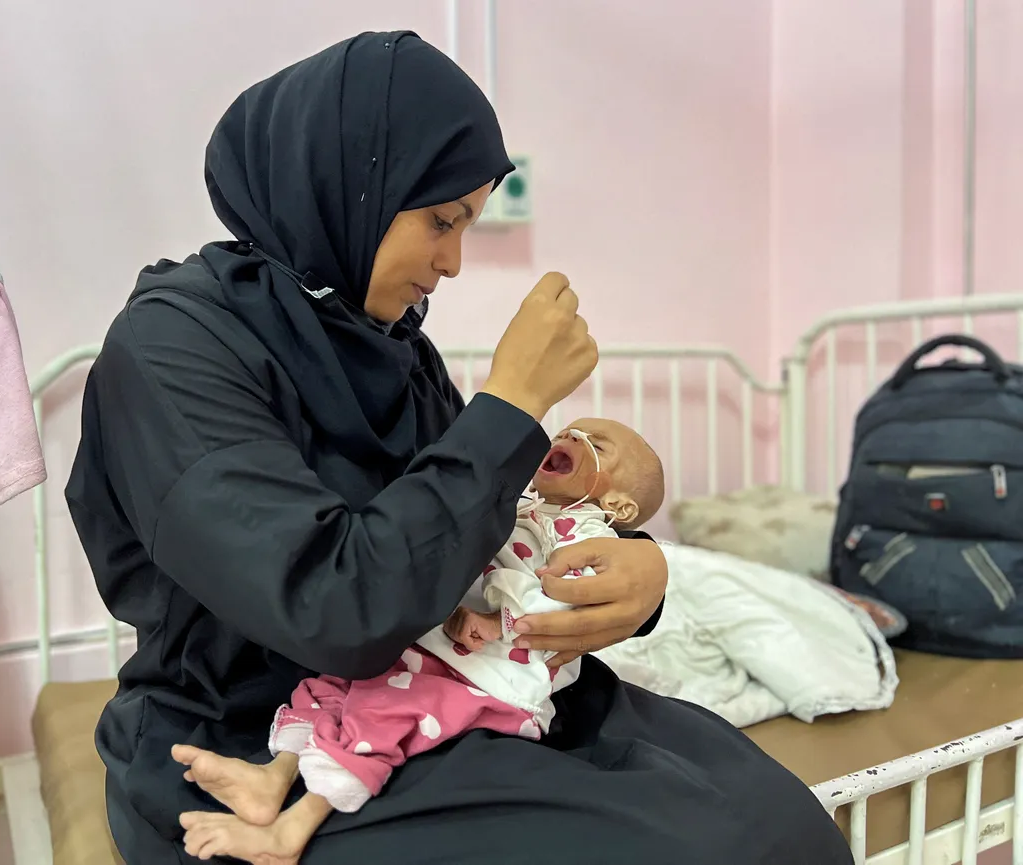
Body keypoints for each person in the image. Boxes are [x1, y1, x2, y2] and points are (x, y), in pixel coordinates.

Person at [65, 30, 852, 865]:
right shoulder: (172, 347)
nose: (452, 262)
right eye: (441, 221)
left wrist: (639, 571)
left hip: (437, 686)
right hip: (253, 738)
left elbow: (476, 534)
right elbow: (336, 607)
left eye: (467, 225)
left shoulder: (385, 342)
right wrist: (512, 403)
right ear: (348, 184)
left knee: (779, 823)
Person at [173, 419, 666, 863]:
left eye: (597, 443)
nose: (571, 437)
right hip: (437, 642)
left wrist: (498, 622)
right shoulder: (520, 506)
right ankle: (274, 777)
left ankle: (292, 831)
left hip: (490, 671)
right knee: (336, 685)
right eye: (568, 431)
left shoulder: (587, 535)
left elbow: (568, 599)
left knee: (380, 715)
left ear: (619, 506)